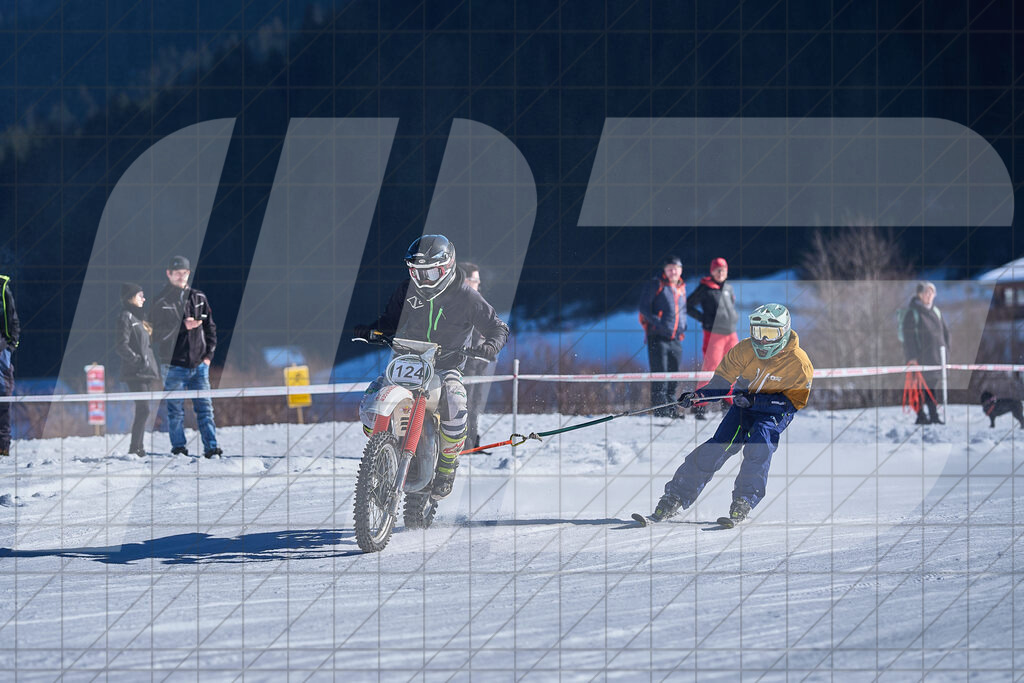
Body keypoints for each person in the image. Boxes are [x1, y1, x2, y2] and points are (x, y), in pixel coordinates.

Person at [355, 235, 509, 500]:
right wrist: (372, 330)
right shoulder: (407, 289)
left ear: (447, 267)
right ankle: (382, 454)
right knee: (369, 402)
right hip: (405, 362)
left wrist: (489, 346)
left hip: (445, 366)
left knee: (455, 404)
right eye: (417, 271)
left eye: (431, 272)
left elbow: (498, 327)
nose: (424, 278)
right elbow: (390, 320)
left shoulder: (467, 296)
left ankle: (447, 468)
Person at [644, 304, 814, 526]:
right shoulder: (744, 349)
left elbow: (795, 402)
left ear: (783, 332)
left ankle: (744, 500)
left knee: (759, 442)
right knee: (718, 447)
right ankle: (675, 496)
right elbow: (721, 383)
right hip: (744, 407)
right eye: (757, 332)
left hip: (775, 412)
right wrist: (698, 396)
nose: (762, 340)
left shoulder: (799, 362)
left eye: (769, 334)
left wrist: (757, 400)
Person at [150, 256, 221, 457]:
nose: (181, 276)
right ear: (169, 274)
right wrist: (183, 327)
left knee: (206, 410)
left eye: (185, 272)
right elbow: (153, 334)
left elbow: (211, 329)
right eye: (177, 272)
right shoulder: (160, 300)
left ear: (189, 274)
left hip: (199, 366)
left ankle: (212, 448)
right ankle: (179, 448)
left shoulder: (199, 298)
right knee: (175, 411)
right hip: (173, 366)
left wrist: (208, 357)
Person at [686, 257, 740, 419]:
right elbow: (688, 306)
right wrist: (704, 319)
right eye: (718, 269)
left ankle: (728, 402)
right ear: (712, 271)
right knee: (711, 369)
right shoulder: (705, 288)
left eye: (723, 269)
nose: (721, 272)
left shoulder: (728, 288)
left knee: (733, 368)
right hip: (713, 334)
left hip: (731, 333)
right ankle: (699, 406)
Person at [114, 283, 161, 457]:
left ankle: (138, 447)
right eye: (140, 295)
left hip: (146, 372)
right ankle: (135, 448)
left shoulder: (140, 318)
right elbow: (121, 345)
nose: (144, 298)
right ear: (130, 297)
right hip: (135, 372)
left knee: (144, 409)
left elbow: (148, 344)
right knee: (144, 409)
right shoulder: (125, 317)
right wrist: (137, 361)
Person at [638, 256, 686, 418]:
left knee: (674, 376)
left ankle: (672, 409)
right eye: (670, 268)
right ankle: (661, 411)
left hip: (675, 339)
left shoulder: (681, 287)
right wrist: (658, 323)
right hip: (657, 337)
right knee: (660, 375)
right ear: (665, 270)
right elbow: (644, 307)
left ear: (680, 270)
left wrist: (682, 328)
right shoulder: (656, 284)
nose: (673, 271)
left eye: (676, 268)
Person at [901, 281, 950, 425]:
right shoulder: (913, 313)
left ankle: (933, 415)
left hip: (936, 357)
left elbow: (945, 333)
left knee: (931, 387)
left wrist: (946, 351)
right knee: (919, 388)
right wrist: (912, 357)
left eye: (931, 292)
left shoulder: (936, 311)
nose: (928, 295)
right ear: (919, 295)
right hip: (920, 358)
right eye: (925, 292)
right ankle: (921, 415)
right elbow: (908, 338)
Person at [460, 261, 491, 453]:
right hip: (464, 361)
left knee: (475, 403)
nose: (478, 284)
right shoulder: (459, 301)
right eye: (474, 280)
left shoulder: (479, 301)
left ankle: (472, 441)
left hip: (480, 362)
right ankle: (462, 443)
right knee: (464, 402)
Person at [0, 272, 20, 457]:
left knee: (3, 395)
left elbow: (13, 318)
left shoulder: (2, 286)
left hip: (1, 350)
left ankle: (3, 445)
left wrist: (11, 344)